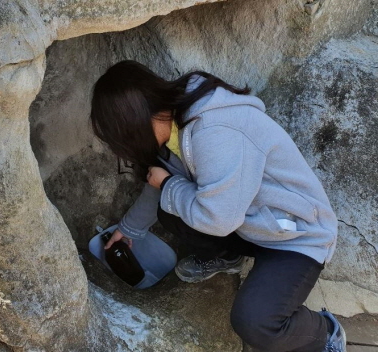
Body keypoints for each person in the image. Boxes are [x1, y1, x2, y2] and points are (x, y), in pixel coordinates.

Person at [90, 60, 347, 352]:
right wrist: (129, 231)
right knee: (169, 205)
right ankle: (228, 257)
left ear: (135, 121)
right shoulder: (169, 128)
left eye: (120, 138)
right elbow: (158, 184)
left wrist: (168, 185)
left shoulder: (214, 130)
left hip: (295, 235)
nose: (121, 148)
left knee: (255, 322)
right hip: (248, 225)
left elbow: (215, 217)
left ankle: (324, 332)